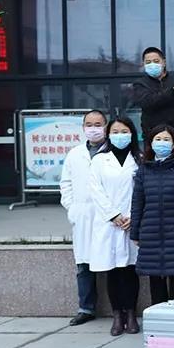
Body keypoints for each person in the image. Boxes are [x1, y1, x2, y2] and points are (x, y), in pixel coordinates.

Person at [88, 116, 141, 336]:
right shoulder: (100, 160)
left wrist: (133, 216)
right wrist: (114, 215)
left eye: (124, 131)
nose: (120, 136)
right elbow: (95, 190)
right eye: (115, 132)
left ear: (132, 134)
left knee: (130, 270)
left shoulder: (139, 159)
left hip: (132, 222)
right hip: (109, 223)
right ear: (109, 135)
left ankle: (131, 314)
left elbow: (143, 190)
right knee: (113, 271)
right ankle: (117, 315)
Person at [129, 124, 174, 304]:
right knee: (155, 278)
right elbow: (137, 203)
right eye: (158, 139)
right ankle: (157, 317)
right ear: (151, 143)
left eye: (166, 139)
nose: (162, 143)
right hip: (151, 232)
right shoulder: (144, 170)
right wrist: (135, 232)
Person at [59, 110, 108, 326]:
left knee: (114, 264)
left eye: (98, 124)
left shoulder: (113, 152)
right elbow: (66, 183)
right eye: (89, 124)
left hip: (108, 216)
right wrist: (72, 208)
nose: (93, 129)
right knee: (83, 265)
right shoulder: (75, 154)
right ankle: (86, 308)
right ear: (83, 127)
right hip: (83, 215)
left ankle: (121, 310)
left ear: (106, 126)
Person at [132, 46, 174, 142]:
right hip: (152, 137)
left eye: (156, 61)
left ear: (164, 62)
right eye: (148, 62)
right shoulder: (140, 84)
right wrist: (173, 91)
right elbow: (147, 102)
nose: (152, 64)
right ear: (143, 64)